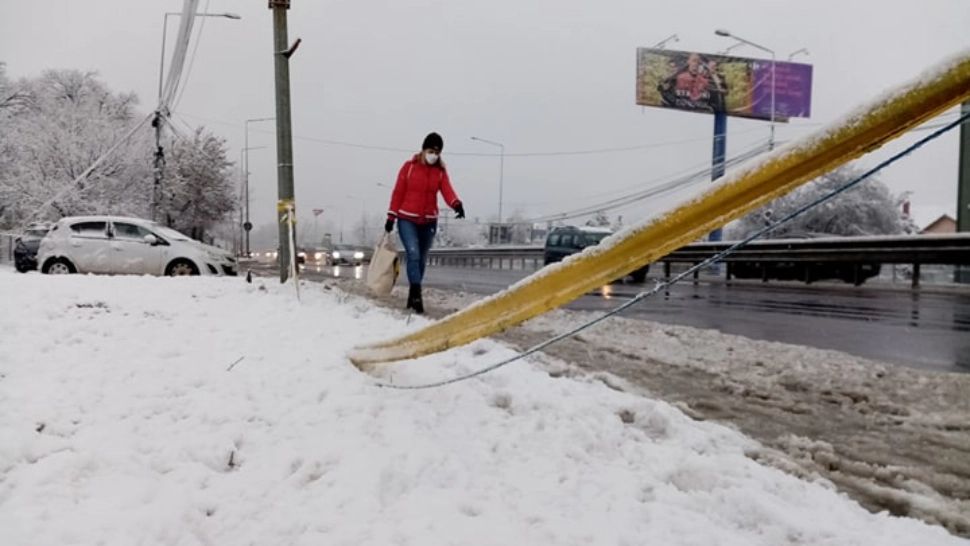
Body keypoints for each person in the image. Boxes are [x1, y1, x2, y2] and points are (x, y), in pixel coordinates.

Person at [384, 132, 465, 313]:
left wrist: (456, 204)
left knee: (421, 259)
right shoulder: (409, 167)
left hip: (428, 221)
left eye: (437, 153)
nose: (434, 155)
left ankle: (413, 293)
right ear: (423, 149)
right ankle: (416, 294)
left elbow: (447, 190)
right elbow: (398, 192)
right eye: (431, 151)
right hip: (406, 219)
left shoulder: (440, 172)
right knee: (413, 254)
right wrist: (391, 216)